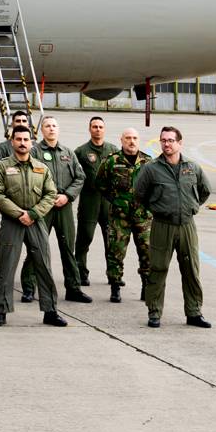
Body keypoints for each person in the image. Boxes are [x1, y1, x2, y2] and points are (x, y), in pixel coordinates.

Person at [132, 126, 213, 329]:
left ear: (179, 143)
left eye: (170, 140)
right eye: (163, 140)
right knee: (158, 269)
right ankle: (154, 312)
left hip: (187, 226)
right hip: (162, 225)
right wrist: (157, 208)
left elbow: (205, 190)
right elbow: (139, 194)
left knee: (191, 269)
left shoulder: (192, 168)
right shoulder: (151, 169)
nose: (166, 144)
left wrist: (191, 206)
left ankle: (194, 312)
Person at [0, 127, 64, 327]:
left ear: (31, 143)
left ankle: (50, 311)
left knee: (43, 266)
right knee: (6, 267)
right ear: (12, 142)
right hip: (11, 222)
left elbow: (51, 194)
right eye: (18, 139)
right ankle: (1, 311)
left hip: (36, 222)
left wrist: (33, 214)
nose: (22, 143)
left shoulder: (41, 168)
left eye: (26, 139)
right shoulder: (2, 167)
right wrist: (19, 214)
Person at [25, 115, 92, 304]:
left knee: (68, 248)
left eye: (54, 125)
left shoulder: (68, 153)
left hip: (64, 206)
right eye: (47, 126)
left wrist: (67, 196)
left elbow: (80, 177)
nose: (51, 128)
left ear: (58, 129)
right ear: (42, 130)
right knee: (36, 247)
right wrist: (46, 198)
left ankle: (73, 288)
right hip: (42, 207)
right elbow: (29, 177)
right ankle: (29, 288)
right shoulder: (34, 152)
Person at [95, 127, 152, 304]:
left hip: (143, 217)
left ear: (139, 140)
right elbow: (100, 183)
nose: (131, 141)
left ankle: (146, 286)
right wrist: (116, 200)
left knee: (147, 252)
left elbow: (156, 186)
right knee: (115, 252)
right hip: (119, 218)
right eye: (128, 138)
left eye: (134, 138)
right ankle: (115, 286)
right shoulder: (111, 161)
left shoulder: (149, 162)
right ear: (121, 140)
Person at [73, 116, 111, 287]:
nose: (97, 129)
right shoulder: (81, 152)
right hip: (89, 200)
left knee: (111, 240)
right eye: (94, 126)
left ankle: (113, 274)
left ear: (104, 129)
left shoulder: (113, 150)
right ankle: (81, 273)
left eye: (100, 127)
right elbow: (73, 174)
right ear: (90, 129)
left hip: (109, 202)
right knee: (85, 237)